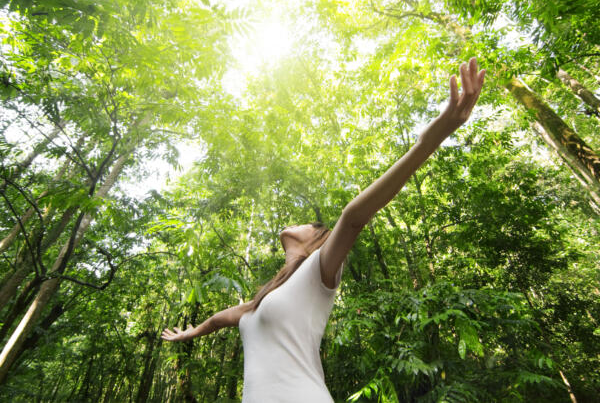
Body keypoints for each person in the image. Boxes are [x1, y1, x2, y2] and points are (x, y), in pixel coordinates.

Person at [161, 58, 486, 402]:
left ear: (316, 240)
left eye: (308, 224)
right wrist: (190, 333)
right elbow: (218, 319)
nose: (295, 223)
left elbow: (352, 218)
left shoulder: (319, 271)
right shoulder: (260, 302)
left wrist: (430, 138)